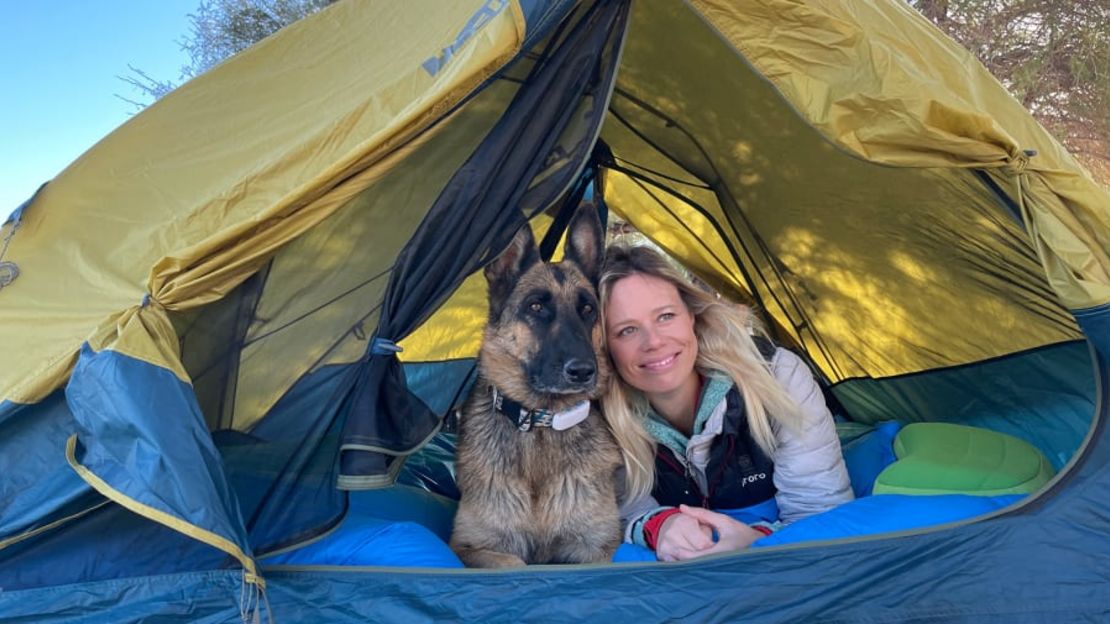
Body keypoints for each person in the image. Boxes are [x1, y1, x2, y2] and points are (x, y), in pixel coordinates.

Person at [600, 244, 853, 562]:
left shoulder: (777, 376)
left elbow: (821, 515)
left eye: (665, 316)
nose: (654, 342)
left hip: (788, 556)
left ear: (691, 315)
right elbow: (620, 508)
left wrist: (756, 540)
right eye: (626, 330)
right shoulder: (600, 419)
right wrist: (660, 524)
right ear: (603, 346)